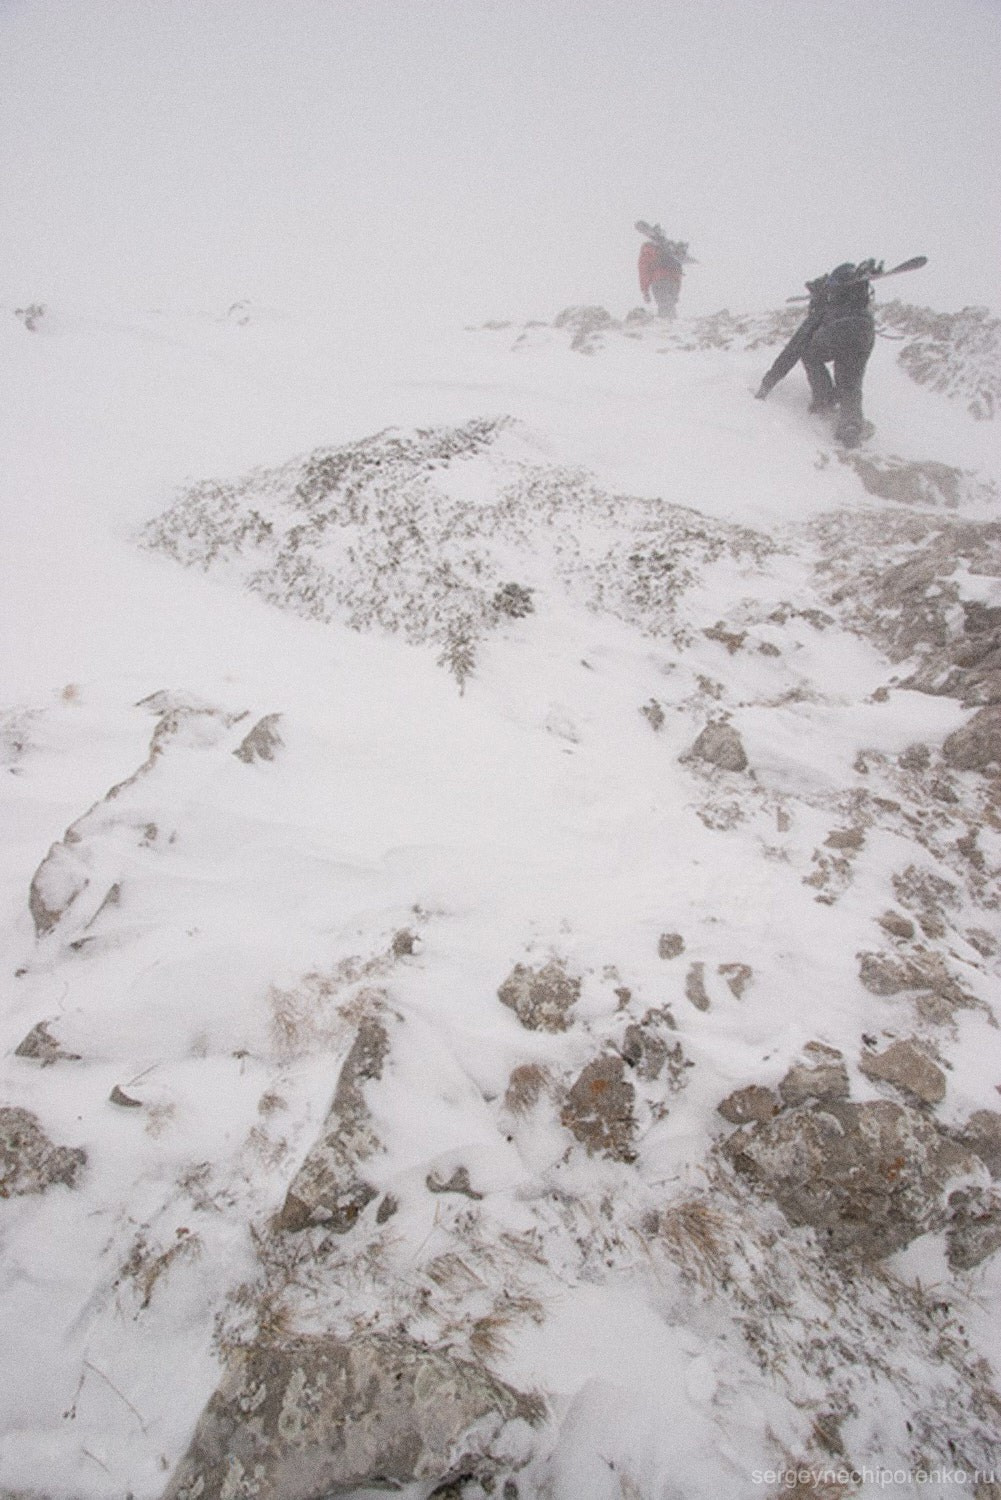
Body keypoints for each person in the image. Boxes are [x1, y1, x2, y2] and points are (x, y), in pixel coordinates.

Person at [755, 259, 883, 447]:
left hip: (838, 329)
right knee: (850, 381)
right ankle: (851, 425)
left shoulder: (823, 307)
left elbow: (794, 348)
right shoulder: (857, 299)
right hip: (864, 330)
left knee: (809, 353)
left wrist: (767, 384)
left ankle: (824, 401)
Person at [636, 221, 688, 320]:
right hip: (673, 282)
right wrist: (677, 290)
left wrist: (645, 291)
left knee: (664, 307)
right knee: (670, 306)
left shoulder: (648, 248)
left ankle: (666, 330)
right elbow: (678, 268)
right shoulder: (669, 249)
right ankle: (672, 327)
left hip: (659, 280)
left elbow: (643, 270)